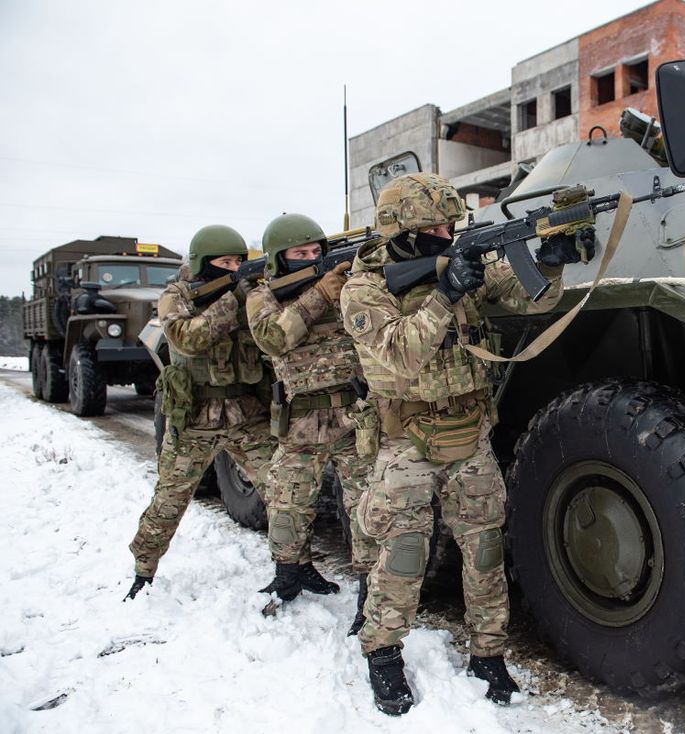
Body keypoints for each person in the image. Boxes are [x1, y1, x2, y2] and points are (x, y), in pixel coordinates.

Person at [341, 173, 594, 715]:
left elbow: (532, 298)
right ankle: (382, 652)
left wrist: (550, 261)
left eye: (450, 226)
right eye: (433, 229)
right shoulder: (363, 289)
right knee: (404, 551)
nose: (446, 235)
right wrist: (445, 293)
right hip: (405, 438)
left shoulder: (458, 261)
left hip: (470, 432)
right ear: (401, 233)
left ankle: (488, 653)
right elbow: (401, 354)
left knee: (484, 551)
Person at [127, 225, 278, 600]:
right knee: (170, 499)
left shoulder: (249, 292)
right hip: (195, 417)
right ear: (202, 263)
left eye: (239, 262)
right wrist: (234, 298)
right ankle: (143, 571)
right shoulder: (177, 296)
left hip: (246, 414)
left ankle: (295, 566)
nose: (234, 268)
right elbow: (188, 338)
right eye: (225, 263)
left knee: (285, 493)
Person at [247, 213, 378, 628]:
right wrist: (321, 292)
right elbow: (273, 338)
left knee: (365, 507)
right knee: (288, 502)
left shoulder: (345, 284)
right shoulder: (262, 296)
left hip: (353, 416)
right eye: (299, 254)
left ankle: (370, 593)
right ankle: (289, 575)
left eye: (314, 252)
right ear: (278, 260)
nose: (310, 259)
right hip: (301, 420)